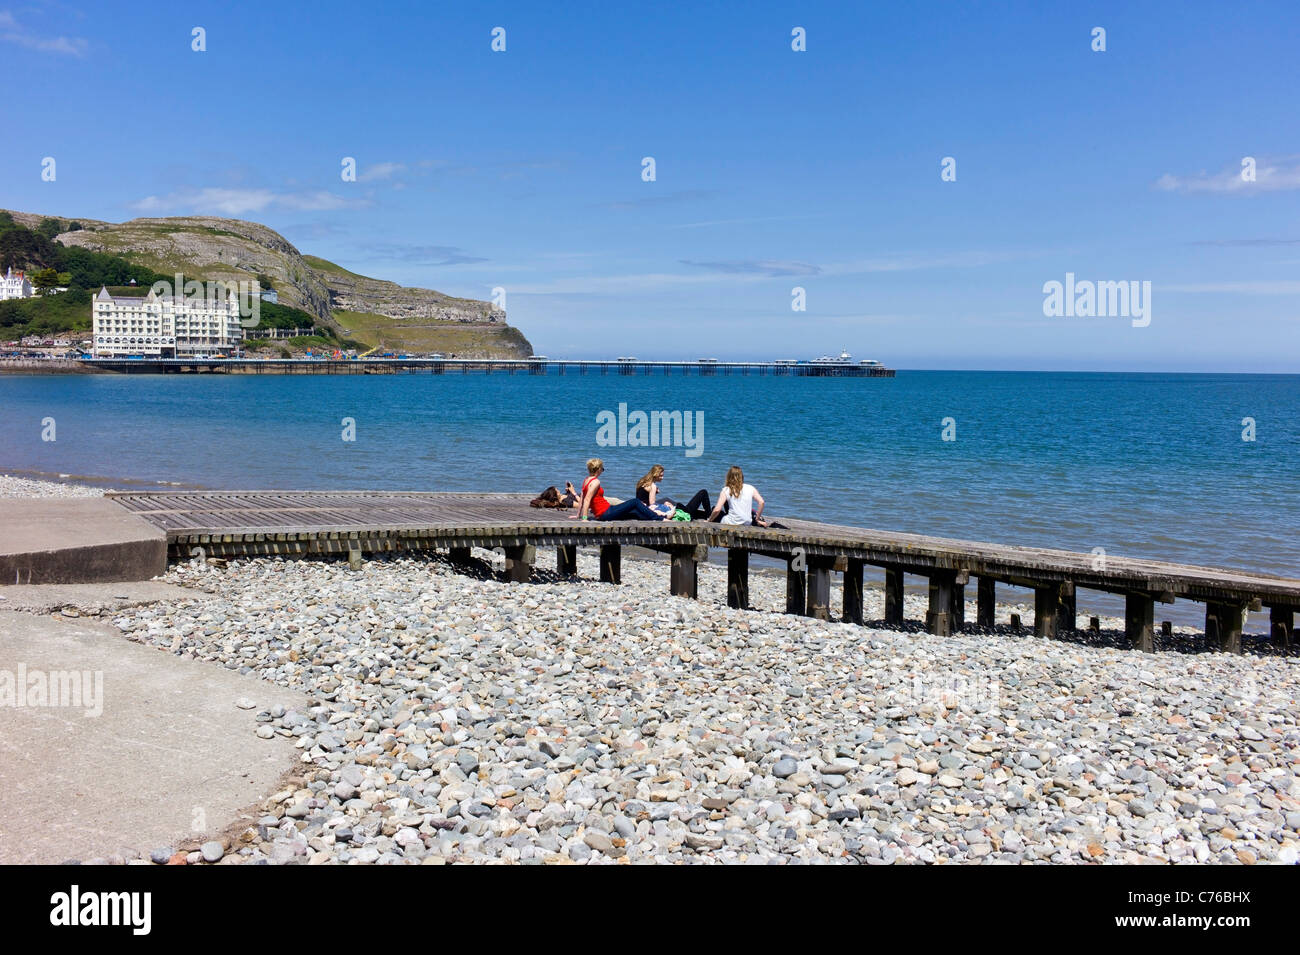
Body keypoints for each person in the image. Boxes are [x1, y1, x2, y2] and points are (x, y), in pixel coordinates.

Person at [571, 458, 669, 521]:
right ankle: (661, 519)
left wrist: (578, 515)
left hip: (607, 511)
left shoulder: (586, 480)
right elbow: (587, 499)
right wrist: (584, 518)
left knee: (635, 512)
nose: (602, 470)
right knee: (635, 502)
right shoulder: (596, 482)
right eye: (602, 468)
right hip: (605, 513)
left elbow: (582, 498)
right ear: (598, 469)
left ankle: (659, 517)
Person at [635, 464, 711, 520]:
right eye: (661, 476)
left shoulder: (642, 482)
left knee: (667, 500)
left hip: (645, 509)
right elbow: (652, 504)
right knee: (703, 493)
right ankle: (710, 516)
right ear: (655, 475)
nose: (662, 477)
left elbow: (642, 498)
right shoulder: (652, 486)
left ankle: (709, 515)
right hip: (676, 510)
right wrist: (669, 506)